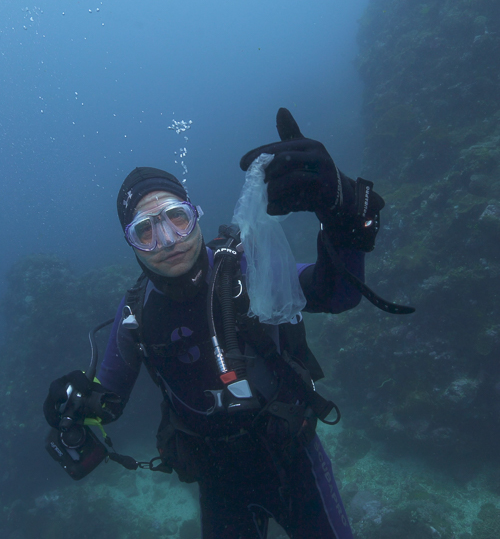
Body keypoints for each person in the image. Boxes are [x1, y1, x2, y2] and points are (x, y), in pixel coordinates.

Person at [44, 108, 386, 539]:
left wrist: (343, 216)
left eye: (177, 218)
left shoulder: (246, 269)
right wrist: (71, 405)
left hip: (292, 456)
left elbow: (338, 294)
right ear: (131, 244)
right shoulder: (135, 315)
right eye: (145, 231)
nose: (168, 241)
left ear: (196, 216)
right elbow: (106, 405)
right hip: (218, 478)